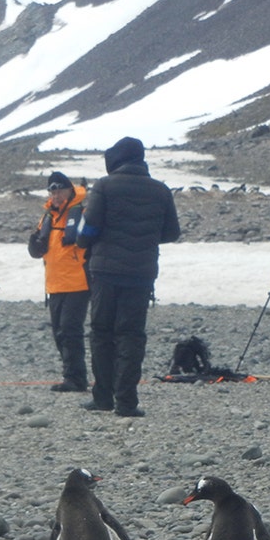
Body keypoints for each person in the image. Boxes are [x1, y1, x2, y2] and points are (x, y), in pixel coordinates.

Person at [76, 136, 180, 416]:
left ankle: (103, 397)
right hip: (141, 273)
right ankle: (127, 402)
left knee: (101, 333)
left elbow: (87, 230)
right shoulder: (160, 190)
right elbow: (172, 233)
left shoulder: (105, 186)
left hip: (106, 272)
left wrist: (88, 243)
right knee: (131, 335)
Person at [27, 171, 90, 392]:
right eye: (52, 191)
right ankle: (70, 375)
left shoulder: (81, 213)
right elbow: (37, 249)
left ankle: (76, 378)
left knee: (70, 330)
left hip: (78, 282)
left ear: (70, 190)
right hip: (55, 283)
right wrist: (34, 243)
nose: (56, 195)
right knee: (59, 332)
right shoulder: (47, 217)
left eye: (60, 190)